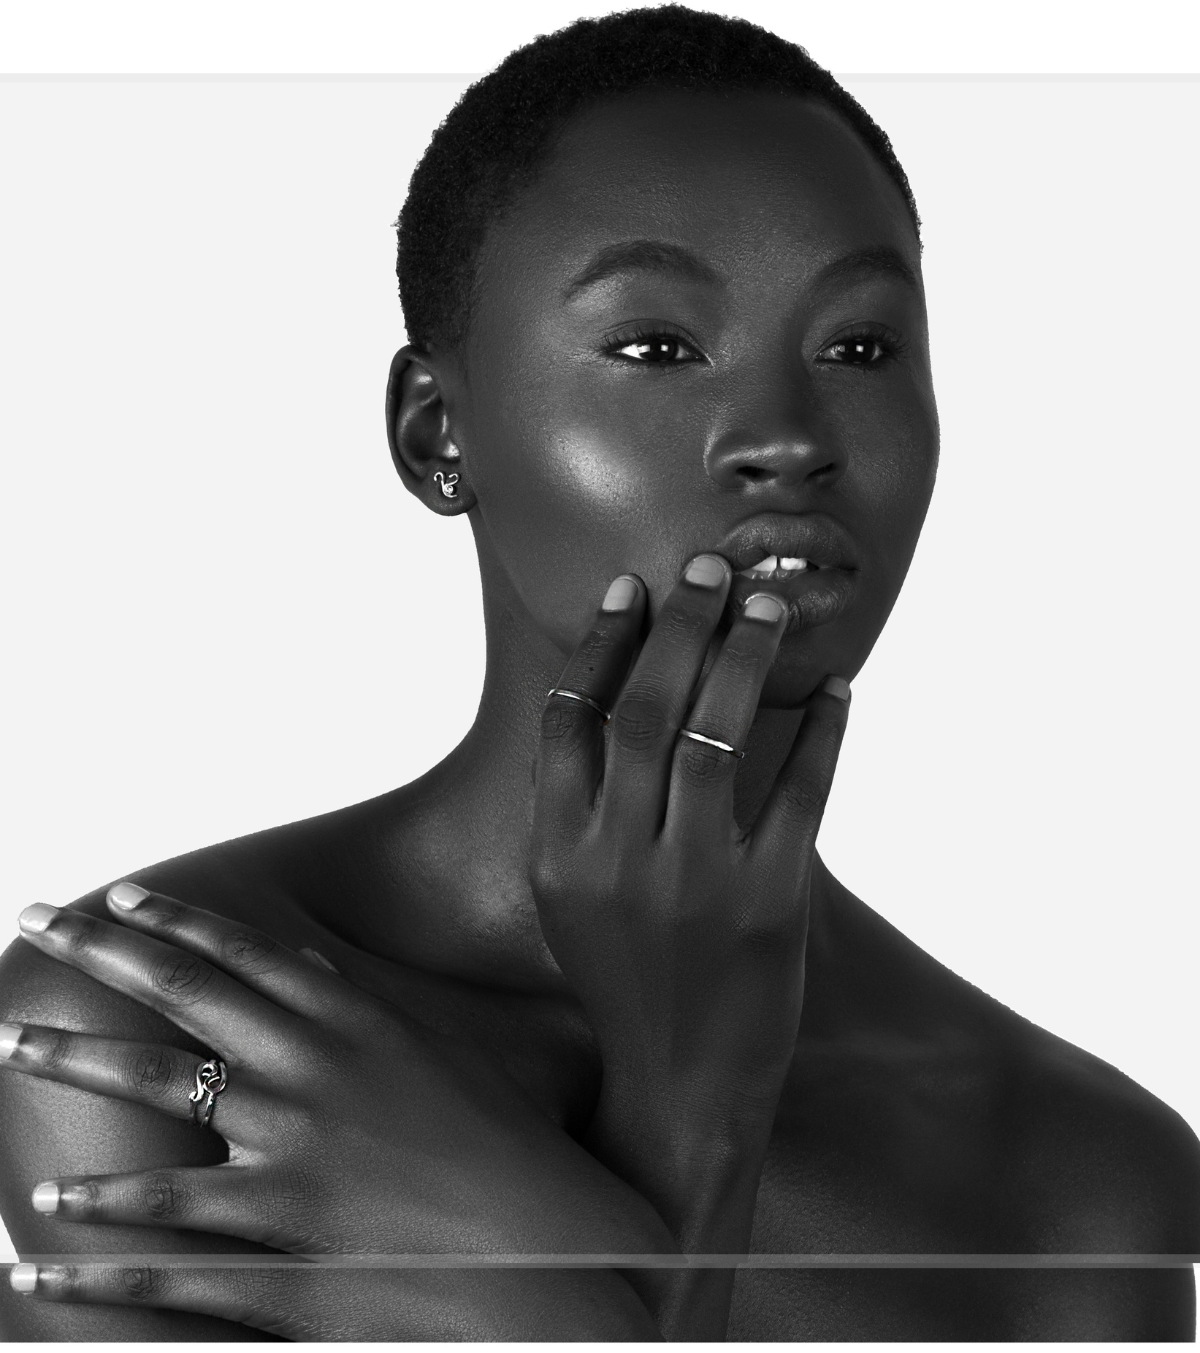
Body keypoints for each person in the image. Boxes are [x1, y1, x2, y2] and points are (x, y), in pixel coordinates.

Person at [0, 5, 1197, 1341]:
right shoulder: (178, 1030)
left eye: (859, 347)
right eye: (656, 348)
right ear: (435, 431)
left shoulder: (1096, 1185)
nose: (786, 443)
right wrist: (687, 1127)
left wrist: (586, 1219)